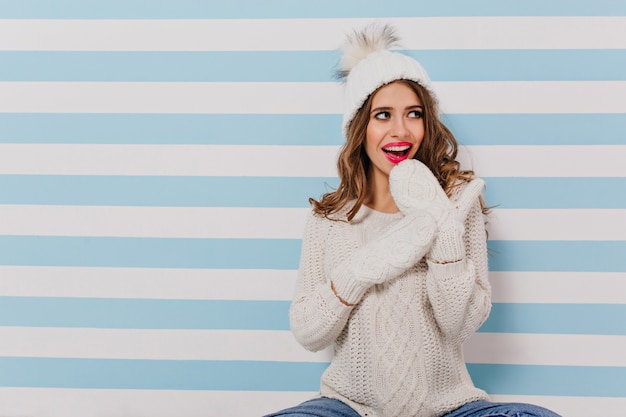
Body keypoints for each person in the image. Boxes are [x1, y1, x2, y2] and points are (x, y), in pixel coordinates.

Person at [264, 24, 562, 417]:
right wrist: (362, 268)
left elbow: (461, 325)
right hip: (350, 407)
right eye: (382, 115)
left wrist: (444, 232)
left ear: (428, 123)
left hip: (449, 408)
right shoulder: (330, 219)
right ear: (359, 127)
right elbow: (307, 332)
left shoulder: (456, 204)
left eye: (414, 114)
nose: (400, 130)